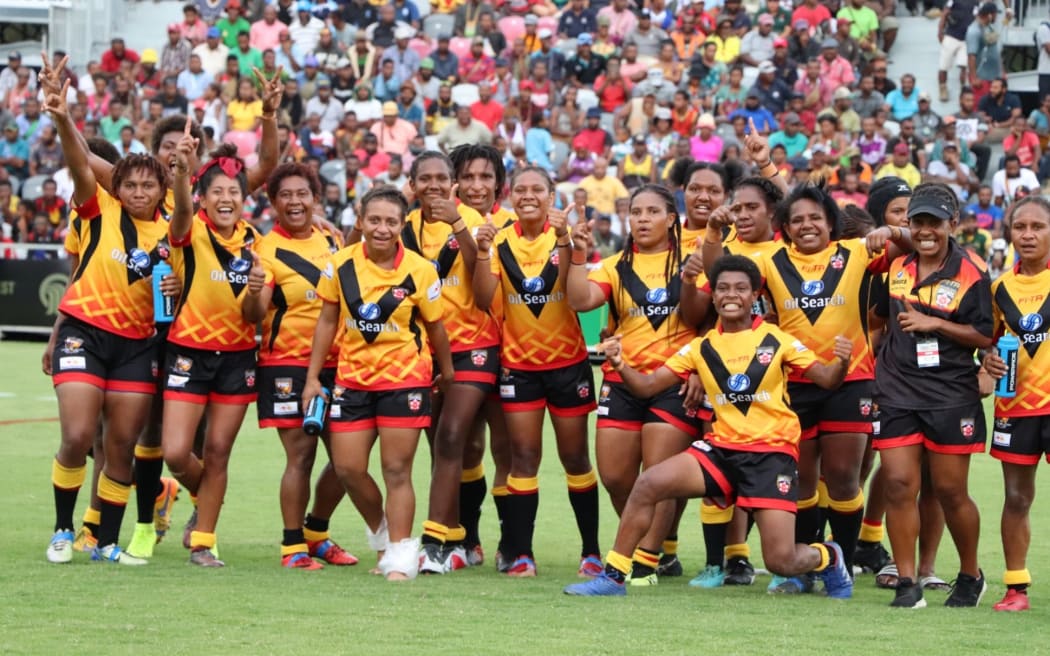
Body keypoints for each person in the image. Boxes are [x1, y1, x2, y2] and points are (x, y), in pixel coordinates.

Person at [562, 255, 854, 598]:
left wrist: (842, 362)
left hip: (770, 455)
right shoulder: (699, 347)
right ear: (713, 297)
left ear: (754, 295)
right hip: (720, 451)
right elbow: (647, 386)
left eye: (741, 289)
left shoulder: (779, 340)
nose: (731, 295)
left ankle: (828, 557)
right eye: (723, 289)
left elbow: (827, 379)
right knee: (648, 483)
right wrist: (619, 364)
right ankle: (613, 577)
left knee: (781, 560)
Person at [40, 75, 176, 567]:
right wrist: (61, 117)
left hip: (137, 345)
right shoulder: (98, 208)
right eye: (131, 183)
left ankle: (106, 543)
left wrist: (175, 290)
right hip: (85, 333)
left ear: (163, 189)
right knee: (78, 436)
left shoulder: (174, 232)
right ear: (116, 186)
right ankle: (61, 529)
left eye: (149, 184)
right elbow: (80, 162)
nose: (139, 191)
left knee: (120, 446)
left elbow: (185, 289)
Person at [303, 185, 454, 580]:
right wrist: (312, 377)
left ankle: (401, 557)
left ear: (402, 225)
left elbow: (436, 329)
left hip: (404, 380)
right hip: (351, 380)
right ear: (360, 220)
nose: (382, 228)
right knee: (348, 467)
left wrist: (448, 371)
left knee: (396, 470)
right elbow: (325, 322)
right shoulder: (340, 264)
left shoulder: (421, 270)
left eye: (390, 221)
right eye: (375, 220)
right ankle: (388, 537)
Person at [566, 183, 699, 585]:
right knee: (616, 477)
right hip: (622, 378)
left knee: (658, 476)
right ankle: (643, 543)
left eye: (652, 212)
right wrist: (576, 252)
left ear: (671, 219)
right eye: (636, 212)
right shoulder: (613, 265)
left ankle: (645, 558)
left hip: (673, 381)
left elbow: (704, 318)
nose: (642, 219)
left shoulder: (691, 262)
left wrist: (698, 369)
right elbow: (580, 300)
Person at [473, 166, 600, 577]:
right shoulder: (499, 240)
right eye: (521, 189)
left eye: (538, 189)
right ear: (510, 195)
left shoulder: (562, 236)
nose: (528, 195)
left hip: (568, 366)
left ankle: (591, 552)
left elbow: (575, 285)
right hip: (520, 367)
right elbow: (481, 298)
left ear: (551, 196)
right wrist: (480, 250)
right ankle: (522, 554)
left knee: (575, 457)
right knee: (523, 458)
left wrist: (569, 240)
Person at [873, 182, 994, 608]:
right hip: (897, 391)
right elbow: (876, 317)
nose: (926, 231)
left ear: (953, 224)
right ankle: (908, 583)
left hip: (950, 396)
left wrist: (935, 324)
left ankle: (969, 574)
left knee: (949, 491)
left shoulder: (972, 273)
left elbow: (984, 333)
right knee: (899, 484)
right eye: (918, 222)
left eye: (935, 223)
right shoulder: (898, 265)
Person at [241, 163, 358, 570]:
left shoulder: (333, 238)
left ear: (315, 198)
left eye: (301, 193)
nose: (294, 201)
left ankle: (316, 533)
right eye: (285, 195)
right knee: (301, 457)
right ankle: (293, 547)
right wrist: (254, 291)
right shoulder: (265, 250)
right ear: (273, 203)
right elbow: (253, 313)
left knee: (349, 461)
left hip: (340, 364)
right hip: (287, 365)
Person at [385, 152, 489, 574]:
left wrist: (459, 223)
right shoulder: (402, 226)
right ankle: (462, 536)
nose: (433, 185)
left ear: (454, 184)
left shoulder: (476, 221)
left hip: (474, 346)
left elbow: (475, 273)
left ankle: (434, 544)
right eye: (424, 178)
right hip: (421, 351)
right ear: (412, 184)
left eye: (441, 178)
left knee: (451, 438)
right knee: (444, 447)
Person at [982, 196, 1050, 612]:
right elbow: (988, 347)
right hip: (1017, 407)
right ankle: (1016, 589)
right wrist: (987, 361)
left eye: (1037, 227)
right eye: (1019, 227)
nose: (1027, 235)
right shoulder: (998, 288)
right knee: (1016, 497)